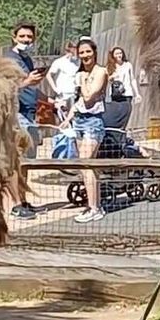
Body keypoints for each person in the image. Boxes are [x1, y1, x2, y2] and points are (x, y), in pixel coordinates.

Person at [62, 38, 110, 224]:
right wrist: (68, 119)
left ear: (94, 52)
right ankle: (93, 204)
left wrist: (82, 80)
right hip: (79, 121)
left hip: (93, 123)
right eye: (81, 53)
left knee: (86, 164)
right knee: (86, 167)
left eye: (87, 52)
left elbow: (89, 97)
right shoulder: (80, 73)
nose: (84, 56)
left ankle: (95, 208)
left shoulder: (100, 72)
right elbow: (80, 102)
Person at [3, 21, 46, 220]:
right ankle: (16, 204)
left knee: (27, 161)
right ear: (14, 37)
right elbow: (5, 87)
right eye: (22, 37)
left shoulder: (26, 59)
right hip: (16, 113)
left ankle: (24, 199)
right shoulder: (9, 59)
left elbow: (31, 88)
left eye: (29, 37)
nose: (26, 41)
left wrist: (49, 100)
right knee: (17, 161)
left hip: (29, 113)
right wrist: (27, 82)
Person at [102, 46, 139, 130]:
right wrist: (112, 76)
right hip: (115, 94)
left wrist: (137, 94)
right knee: (116, 113)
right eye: (117, 53)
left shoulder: (128, 65)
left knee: (127, 111)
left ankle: (124, 129)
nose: (119, 55)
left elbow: (132, 79)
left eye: (120, 53)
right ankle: (116, 129)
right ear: (113, 55)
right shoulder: (110, 66)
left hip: (127, 93)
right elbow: (106, 79)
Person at [46, 40, 80, 121]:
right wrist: (55, 89)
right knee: (63, 119)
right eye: (70, 50)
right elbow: (48, 75)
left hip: (75, 95)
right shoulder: (59, 62)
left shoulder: (79, 62)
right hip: (63, 96)